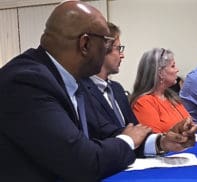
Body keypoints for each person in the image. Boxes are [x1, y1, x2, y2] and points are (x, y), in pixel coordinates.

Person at [0, 2, 157, 181]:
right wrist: (128, 141)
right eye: (106, 41)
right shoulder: (27, 83)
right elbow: (83, 162)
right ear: (85, 44)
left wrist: (158, 142)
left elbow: (101, 132)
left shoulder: (71, 79)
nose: (110, 49)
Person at [80, 23, 197, 158]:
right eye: (119, 49)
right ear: (101, 50)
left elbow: (137, 135)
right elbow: (108, 138)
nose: (122, 55)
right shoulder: (79, 92)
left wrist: (163, 142)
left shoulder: (116, 89)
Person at [130, 48, 193, 133]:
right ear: (160, 73)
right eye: (173, 66)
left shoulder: (171, 96)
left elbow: (190, 123)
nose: (177, 70)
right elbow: (155, 140)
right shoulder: (143, 103)